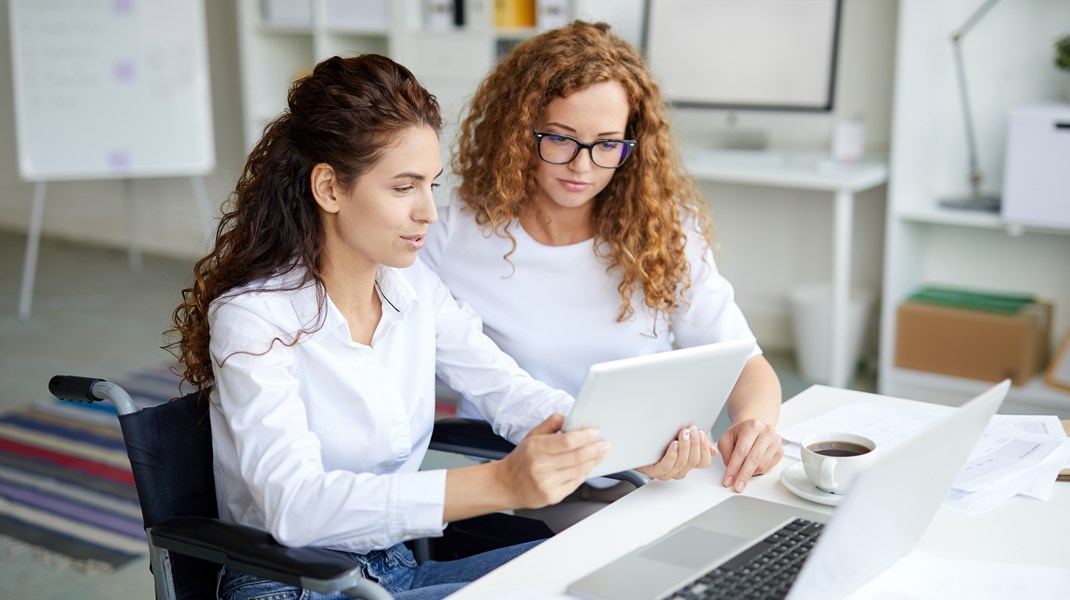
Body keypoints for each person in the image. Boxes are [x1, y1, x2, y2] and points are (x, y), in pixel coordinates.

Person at [167, 54, 613, 600]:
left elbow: (506, 389)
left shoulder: (414, 288)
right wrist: (500, 484)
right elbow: (295, 507)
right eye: (404, 187)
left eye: (432, 184)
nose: (429, 211)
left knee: (605, 569)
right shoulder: (254, 318)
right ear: (329, 189)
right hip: (292, 585)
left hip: (392, 568)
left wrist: (618, 436)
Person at [422, 21, 785, 531]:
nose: (583, 167)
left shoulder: (665, 229)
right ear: (518, 131)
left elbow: (745, 362)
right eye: (561, 140)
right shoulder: (450, 234)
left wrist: (755, 426)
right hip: (529, 490)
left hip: (656, 480)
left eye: (607, 144)